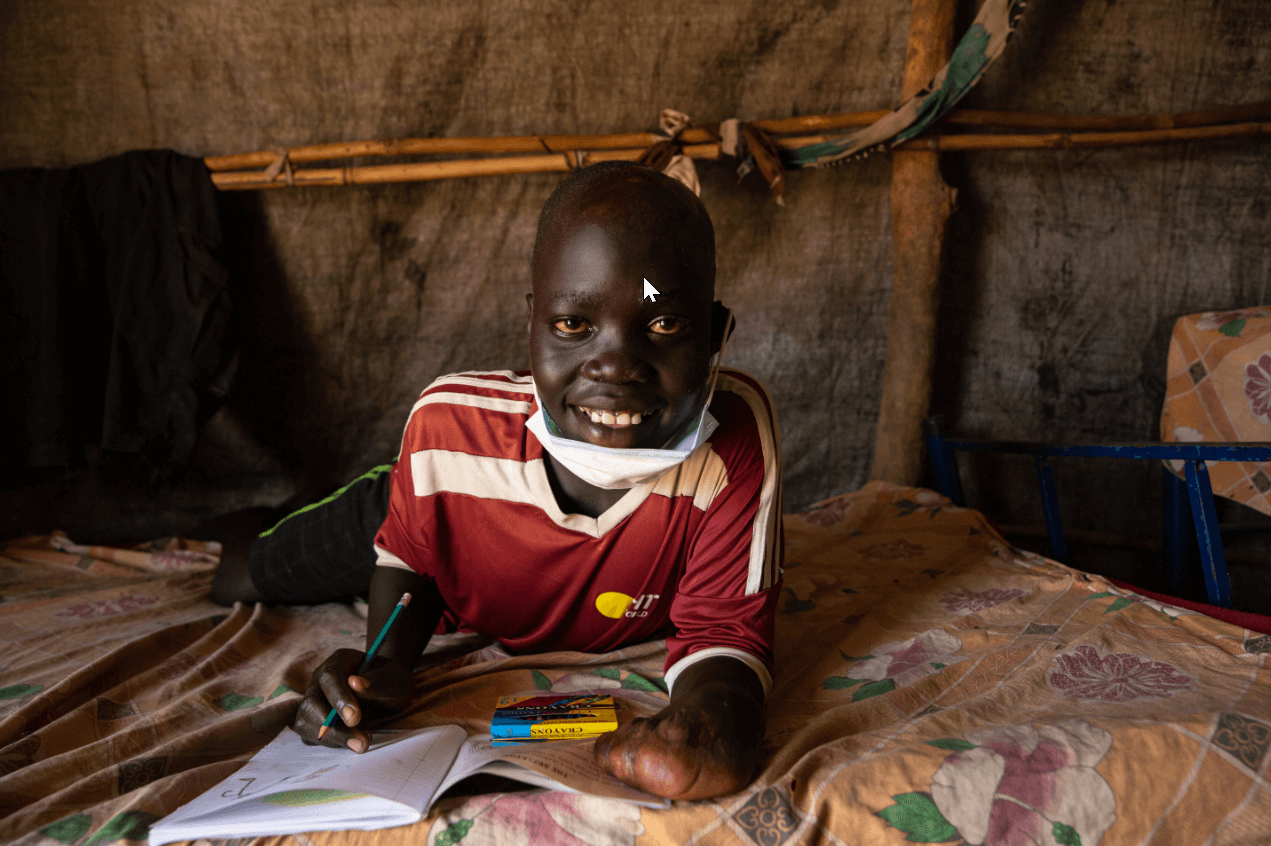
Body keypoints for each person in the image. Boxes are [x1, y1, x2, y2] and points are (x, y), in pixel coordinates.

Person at [212, 161, 783, 801]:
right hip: (417, 505)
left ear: (717, 333)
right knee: (234, 574)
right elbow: (413, 562)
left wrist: (715, 722)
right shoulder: (448, 430)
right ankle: (257, 518)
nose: (617, 367)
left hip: (471, 536)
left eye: (664, 323)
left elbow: (722, 630)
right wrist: (388, 663)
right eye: (574, 324)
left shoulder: (734, 442)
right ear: (533, 322)